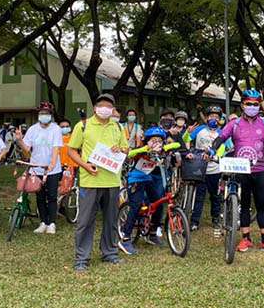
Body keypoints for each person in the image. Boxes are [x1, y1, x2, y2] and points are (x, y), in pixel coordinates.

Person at [211, 89, 264, 254]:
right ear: (242, 105)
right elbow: (221, 138)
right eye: (249, 104)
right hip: (241, 169)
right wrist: (212, 149)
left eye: (256, 104)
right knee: (245, 205)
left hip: (260, 169)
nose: (252, 107)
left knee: (262, 205)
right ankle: (245, 239)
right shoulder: (233, 124)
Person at [68, 93, 129, 272]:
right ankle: (82, 258)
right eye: (102, 105)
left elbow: (126, 149)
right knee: (85, 220)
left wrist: (121, 150)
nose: (105, 109)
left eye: (109, 106)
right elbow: (72, 151)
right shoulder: (83, 125)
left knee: (111, 219)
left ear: (113, 110)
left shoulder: (117, 127)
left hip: (111, 180)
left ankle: (109, 252)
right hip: (90, 180)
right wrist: (85, 166)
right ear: (95, 108)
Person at [118, 126, 175, 255]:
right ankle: (125, 238)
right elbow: (130, 154)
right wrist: (145, 148)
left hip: (148, 179)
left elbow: (176, 144)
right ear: (147, 141)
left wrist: (168, 147)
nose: (156, 143)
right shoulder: (141, 151)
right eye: (153, 140)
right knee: (136, 206)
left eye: (159, 141)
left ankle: (152, 233)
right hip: (135, 180)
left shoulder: (161, 152)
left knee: (158, 202)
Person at [15, 102, 63, 235]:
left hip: (52, 169)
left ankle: (51, 223)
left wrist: (52, 164)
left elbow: (56, 148)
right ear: (38, 115)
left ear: (51, 115)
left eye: (46, 113)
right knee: (40, 196)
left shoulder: (56, 129)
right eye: (42, 113)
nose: (44, 115)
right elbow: (27, 151)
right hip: (36, 168)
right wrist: (19, 141)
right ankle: (43, 222)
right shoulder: (32, 129)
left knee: (52, 196)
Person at [189, 106, 225, 234]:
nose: (213, 119)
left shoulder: (223, 132)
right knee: (199, 196)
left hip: (215, 169)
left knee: (215, 196)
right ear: (207, 117)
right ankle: (194, 221)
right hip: (199, 168)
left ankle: (215, 219)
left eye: (216, 117)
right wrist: (187, 134)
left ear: (220, 119)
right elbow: (187, 141)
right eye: (211, 116)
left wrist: (217, 155)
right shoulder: (199, 130)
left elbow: (226, 147)